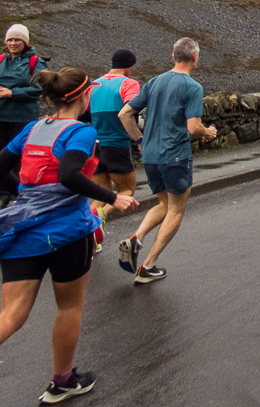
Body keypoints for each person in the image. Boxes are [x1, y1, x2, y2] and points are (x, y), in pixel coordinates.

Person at [0, 67, 138, 404]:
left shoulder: (33, 129)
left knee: (11, 314)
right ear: (83, 96)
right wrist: (112, 197)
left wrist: (24, 194)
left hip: (21, 229)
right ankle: (61, 381)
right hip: (68, 231)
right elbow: (68, 174)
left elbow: (2, 163)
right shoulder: (82, 132)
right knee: (69, 307)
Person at [116, 37, 217, 284]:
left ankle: (135, 238)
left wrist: (139, 142)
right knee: (176, 209)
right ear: (195, 57)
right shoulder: (192, 86)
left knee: (163, 202)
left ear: (173, 57)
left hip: (150, 155)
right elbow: (193, 127)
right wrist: (208, 132)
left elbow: (125, 113)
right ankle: (147, 266)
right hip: (175, 156)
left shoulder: (154, 82)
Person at [87, 50, 142, 237]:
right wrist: (139, 138)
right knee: (127, 189)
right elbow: (130, 109)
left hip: (94, 144)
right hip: (117, 143)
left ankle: (87, 231)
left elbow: (84, 112)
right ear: (130, 66)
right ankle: (98, 218)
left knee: (101, 194)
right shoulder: (129, 83)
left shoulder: (94, 83)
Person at [0, 24, 42, 205]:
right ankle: (4, 192)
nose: (13, 43)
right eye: (10, 39)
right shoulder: (1, 60)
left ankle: (20, 193)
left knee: (20, 155)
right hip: (1, 116)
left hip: (23, 117)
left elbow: (39, 88)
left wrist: (13, 93)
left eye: (17, 39)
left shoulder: (35, 62)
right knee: (2, 155)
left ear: (25, 42)